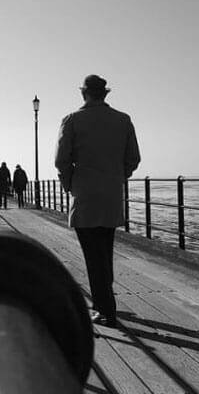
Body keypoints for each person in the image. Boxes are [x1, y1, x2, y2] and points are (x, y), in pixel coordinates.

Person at [55, 74, 140, 327]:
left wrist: (70, 185)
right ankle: (105, 303)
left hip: (85, 196)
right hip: (111, 196)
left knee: (93, 256)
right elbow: (133, 158)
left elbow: (61, 161)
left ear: (84, 93)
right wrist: (116, 177)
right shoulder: (123, 120)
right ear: (105, 94)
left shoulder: (71, 121)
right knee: (104, 251)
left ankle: (105, 310)